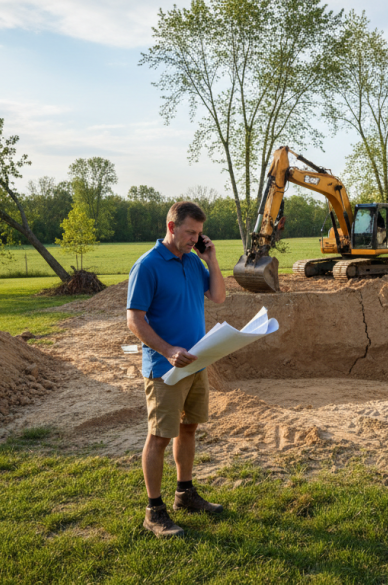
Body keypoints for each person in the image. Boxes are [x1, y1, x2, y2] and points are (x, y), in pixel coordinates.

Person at [126, 201, 227, 538]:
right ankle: (154, 512)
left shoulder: (194, 262)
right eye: (190, 233)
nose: (195, 239)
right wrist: (168, 350)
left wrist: (210, 257)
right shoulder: (148, 266)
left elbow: (218, 297)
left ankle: (185, 493)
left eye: (199, 234)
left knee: (189, 429)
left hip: (196, 361)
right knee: (159, 437)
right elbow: (134, 320)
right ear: (171, 227)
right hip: (164, 367)